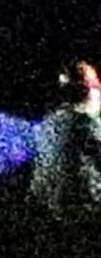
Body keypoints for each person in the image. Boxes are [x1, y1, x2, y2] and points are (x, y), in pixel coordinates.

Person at [29, 58, 101, 219]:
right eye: (97, 87)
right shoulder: (87, 126)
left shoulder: (50, 123)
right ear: (89, 91)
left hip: (52, 212)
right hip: (86, 212)